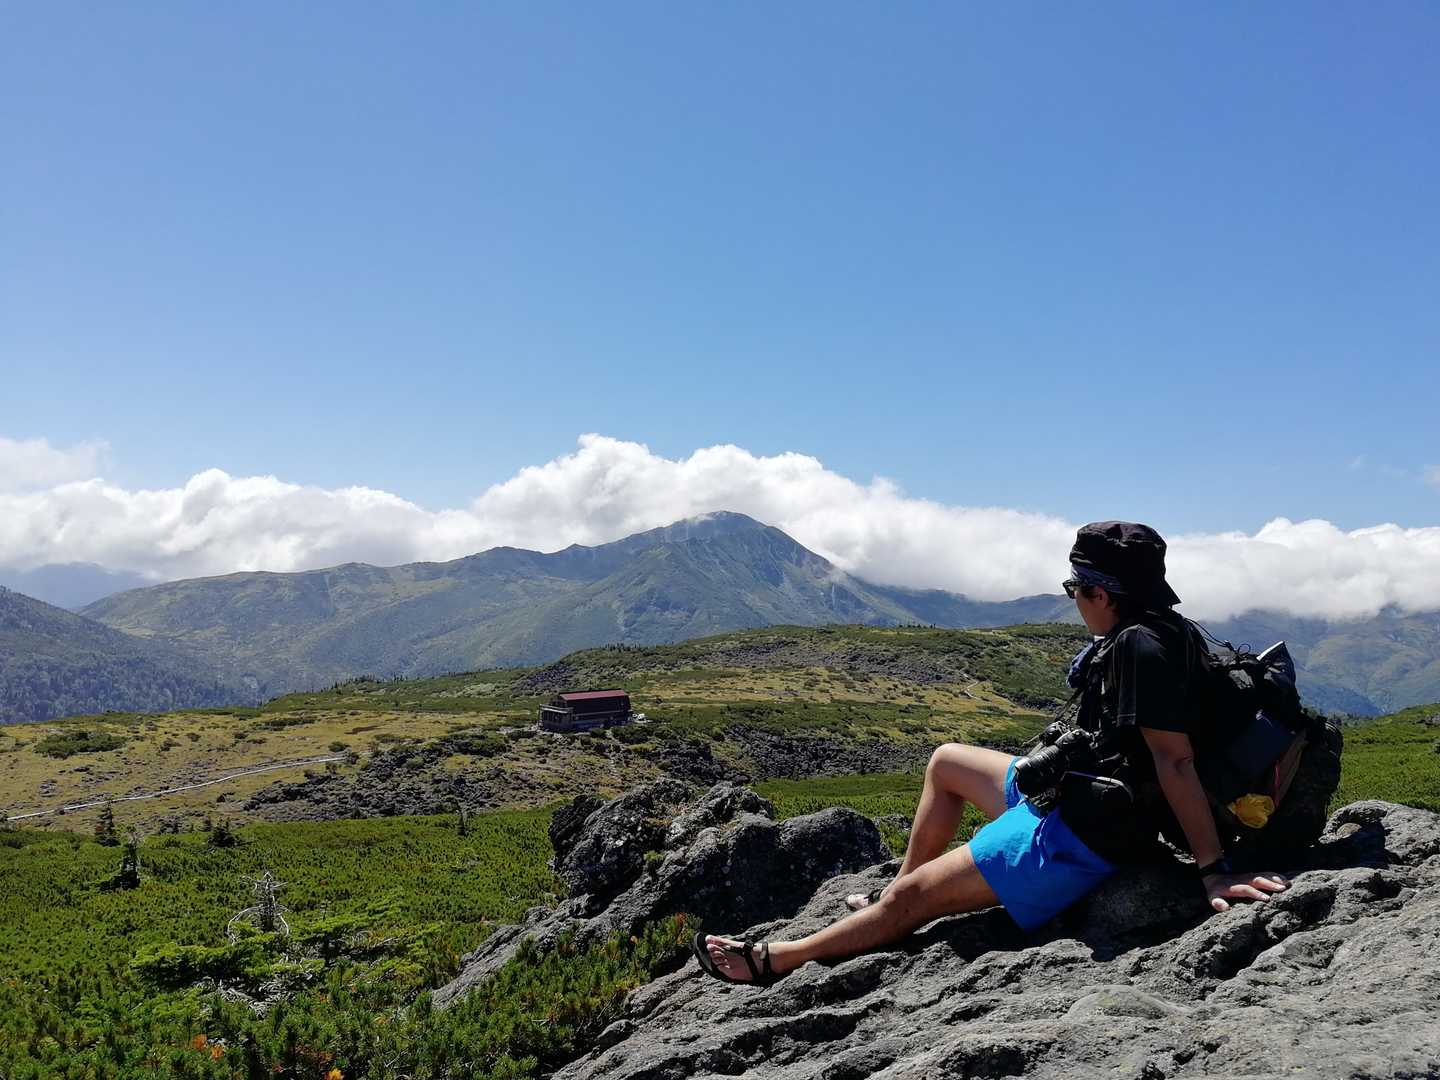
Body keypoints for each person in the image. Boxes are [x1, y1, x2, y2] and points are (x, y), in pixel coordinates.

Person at [694, 521, 1290, 986]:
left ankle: (780, 958)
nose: (1073, 600)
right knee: (947, 761)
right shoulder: (1164, 629)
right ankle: (896, 890)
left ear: (1101, 593)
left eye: (1075, 589)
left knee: (913, 903)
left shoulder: (1142, 650)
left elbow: (1174, 761)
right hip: (1076, 794)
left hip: (1085, 834)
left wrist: (1213, 872)